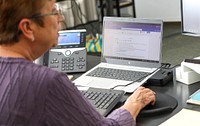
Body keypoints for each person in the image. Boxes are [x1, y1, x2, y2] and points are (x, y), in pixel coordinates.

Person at [0, 0, 156, 126]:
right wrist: (133, 104)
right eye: (54, 11)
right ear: (28, 27)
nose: (60, 18)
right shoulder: (46, 82)